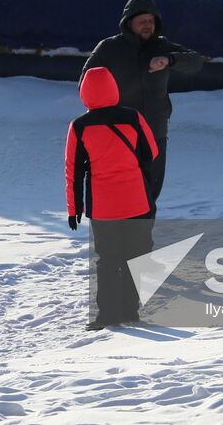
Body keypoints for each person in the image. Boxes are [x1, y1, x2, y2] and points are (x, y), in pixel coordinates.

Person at [81, 0, 204, 207]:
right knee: (122, 191)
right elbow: (85, 83)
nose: (148, 25)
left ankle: (141, 239)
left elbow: (196, 62)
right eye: (142, 21)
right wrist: (104, 113)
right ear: (129, 23)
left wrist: (169, 60)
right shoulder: (109, 48)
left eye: (151, 21)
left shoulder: (162, 46)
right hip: (120, 134)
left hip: (155, 133)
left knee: (149, 194)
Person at [65, 66, 159, 329]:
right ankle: (130, 311)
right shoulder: (133, 118)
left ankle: (106, 315)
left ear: (84, 92)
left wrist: (74, 208)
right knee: (136, 257)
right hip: (138, 201)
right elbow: (151, 151)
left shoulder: (79, 126)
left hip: (103, 207)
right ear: (114, 88)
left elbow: (73, 170)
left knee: (107, 261)